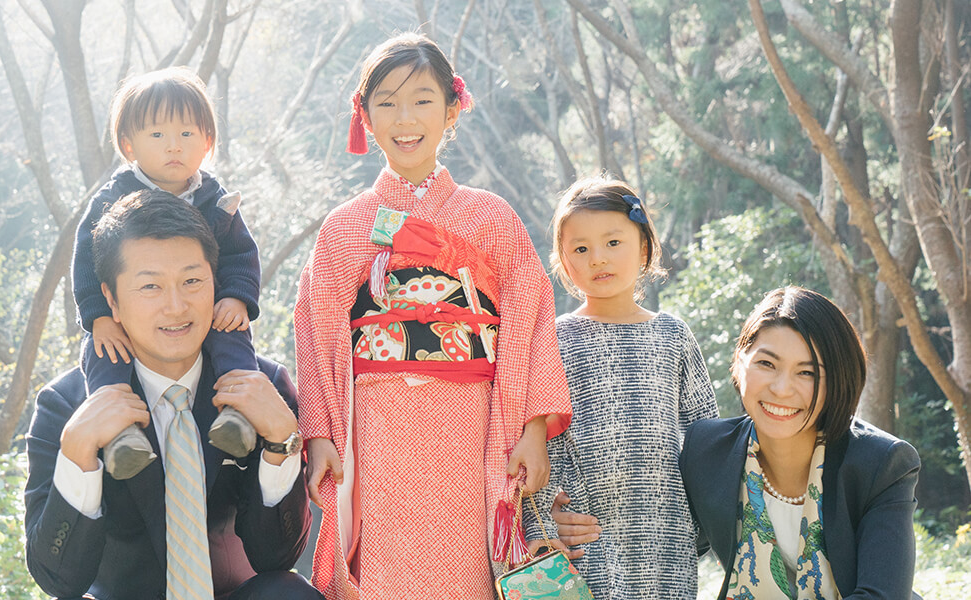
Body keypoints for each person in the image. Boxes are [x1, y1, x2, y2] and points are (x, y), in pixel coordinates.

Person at [294, 32, 573, 598]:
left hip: (471, 420)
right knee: (381, 568)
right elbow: (316, 326)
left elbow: (532, 317)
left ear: (452, 109)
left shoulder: (490, 217)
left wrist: (534, 428)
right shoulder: (346, 225)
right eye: (387, 102)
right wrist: (320, 433)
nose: (405, 117)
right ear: (365, 118)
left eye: (422, 99)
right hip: (378, 426)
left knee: (470, 566)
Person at [25, 190, 322, 600]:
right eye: (150, 286)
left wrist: (282, 440)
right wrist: (78, 455)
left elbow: (276, 556)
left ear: (216, 283)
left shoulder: (261, 387)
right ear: (110, 298)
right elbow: (57, 580)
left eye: (192, 281)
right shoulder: (67, 404)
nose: (176, 306)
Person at [523, 177, 719, 599]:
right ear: (563, 262)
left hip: (666, 537)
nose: (597, 259)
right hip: (583, 541)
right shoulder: (552, 341)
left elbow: (707, 437)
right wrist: (540, 521)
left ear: (645, 247)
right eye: (580, 249)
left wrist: (704, 525)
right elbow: (532, 442)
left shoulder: (673, 336)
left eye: (613, 242)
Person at [72, 66, 260, 479]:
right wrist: (99, 317)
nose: (173, 146)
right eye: (157, 135)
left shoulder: (215, 199)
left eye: (187, 135)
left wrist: (236, 297)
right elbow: (86, 260)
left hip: (205, 308)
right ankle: (120, 433)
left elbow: (240, 254)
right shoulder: (112, 198)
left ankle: (238, 415)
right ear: (128, 145)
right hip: (120, 319)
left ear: (208, 141)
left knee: (234, 338)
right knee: (106, 356)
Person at [678, 286, 921, 599]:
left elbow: (882, 595)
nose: (781, 389)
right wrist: (593, 533)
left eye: (806, 372)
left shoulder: (881, 463)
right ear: (740, 363)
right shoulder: (706, 450)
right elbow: (665, 540)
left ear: (837, 382)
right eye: (767, 364)